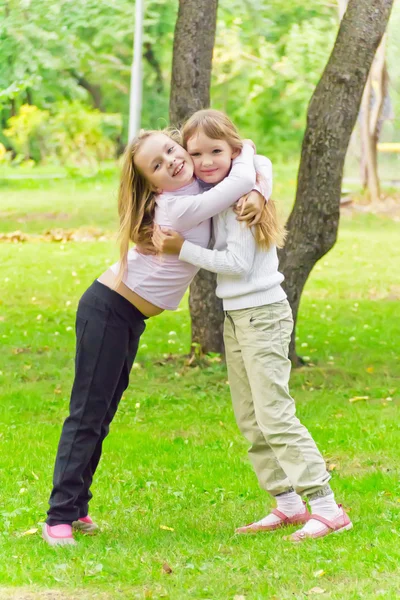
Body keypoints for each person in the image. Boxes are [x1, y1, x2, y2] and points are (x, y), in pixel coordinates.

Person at [42, 127, 264, 546]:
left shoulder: (198, 185)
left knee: (102, 413)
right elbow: (241, 176)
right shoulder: (179, 207)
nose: (171, 162)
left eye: (170, 150)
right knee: (88, 413)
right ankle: (58, 518)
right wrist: (246, 147)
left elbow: (252, 176)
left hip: (125, 317)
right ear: (152, 184)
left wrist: (260, 191)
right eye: (157, 166)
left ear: (180, 144)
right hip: (107, 309)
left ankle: (76, 507)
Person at [152, 109, 353, 542]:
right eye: (197, 153)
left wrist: (180, 248)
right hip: (236, 316)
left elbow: (238, 263)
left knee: (275, 414)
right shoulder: (225, 187)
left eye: (216, 151)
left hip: (262, 313)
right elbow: (257, 161)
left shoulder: (239, 200)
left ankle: (326, 506)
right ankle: (288, 503)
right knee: (250, 416)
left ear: (233, 150)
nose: (205, 161)